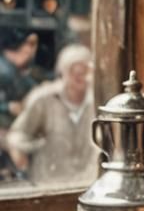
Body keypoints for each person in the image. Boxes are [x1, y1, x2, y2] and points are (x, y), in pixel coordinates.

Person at [7, 44, 98, 187]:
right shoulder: (44, 99)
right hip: (48, 182)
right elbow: (17, 135)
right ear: (62, 72)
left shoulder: (97, 100)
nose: (79, 75)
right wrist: (22, 161)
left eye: (84, 70)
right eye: (73, 70)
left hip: (86, 183)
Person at [0, 28, 39, 181]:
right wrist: (7, 107)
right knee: (15, 143)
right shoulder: (3, 70)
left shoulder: (15, 69)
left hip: (13, 124)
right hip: (4, 127)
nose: (31, 50)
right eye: (29, 44)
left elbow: (31, 87)